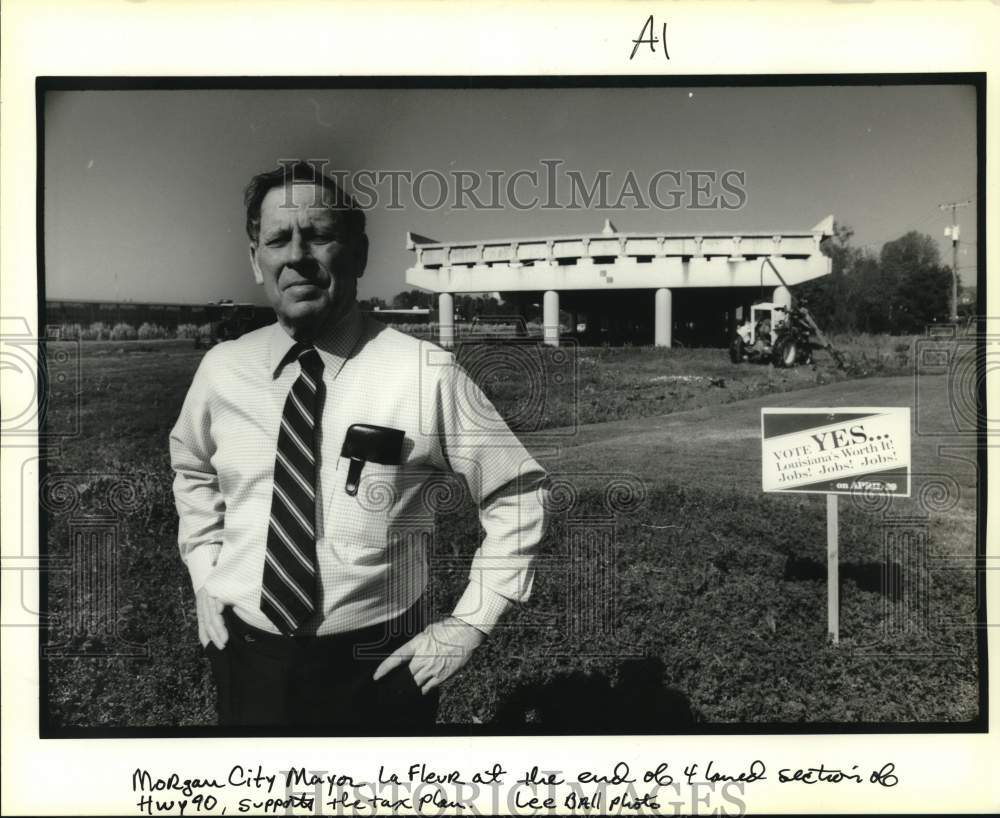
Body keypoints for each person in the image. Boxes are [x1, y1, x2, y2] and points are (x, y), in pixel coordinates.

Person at [169, 161, 548, 729]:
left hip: (380, 660)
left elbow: (517, 491)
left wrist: (470, 621)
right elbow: (192, 469)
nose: (297, 254)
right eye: (277, 239)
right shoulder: (222, 371)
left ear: (359, 254)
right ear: (256, 260)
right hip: (249, 656)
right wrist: (205, 571)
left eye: (319, 235)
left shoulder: (425, 373)